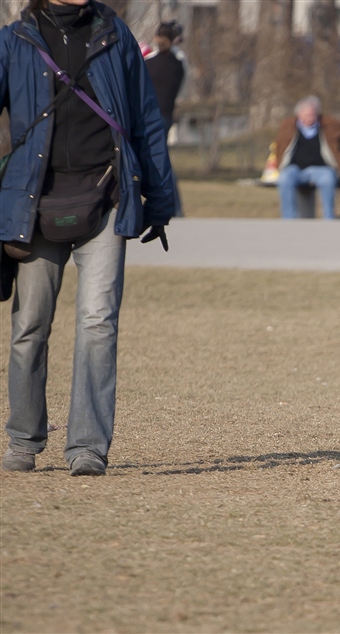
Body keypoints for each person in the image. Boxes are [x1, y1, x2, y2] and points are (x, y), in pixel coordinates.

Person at [0, 0, 176, 475]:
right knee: (29, 327)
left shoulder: (116, 36)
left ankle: (87, 448)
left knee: (99, 324)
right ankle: (23, 440)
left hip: (107, 197)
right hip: (34, 206)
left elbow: (146, 122)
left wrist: (158, 203)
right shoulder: (14, 40)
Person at [274, 96, 340, 220]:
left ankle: (329, 218)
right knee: (284, 179)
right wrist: (280, 165)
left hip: (321, 168)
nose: (309, 118)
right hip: (295, 169)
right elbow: (279, 148)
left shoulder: (329, 126)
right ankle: (288, 219)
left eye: (312, 115)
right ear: (298, 115)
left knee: (328, 179)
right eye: (305, 115)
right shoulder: (288, 127)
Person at [144, 20, 185, 217]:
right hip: (166, 116)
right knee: (161, 159)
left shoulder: (149, 64)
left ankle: (173, 205)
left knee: (160, 162)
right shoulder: (177, 65)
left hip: (150, 117)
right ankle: (173, 206)